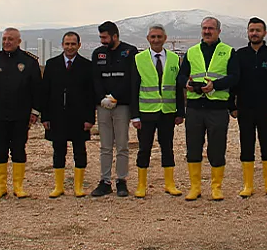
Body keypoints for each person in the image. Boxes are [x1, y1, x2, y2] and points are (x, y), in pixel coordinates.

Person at [177, 16, 240, 201]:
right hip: (195, 108)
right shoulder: (192, 52)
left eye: (211, 28)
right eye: (204, 28)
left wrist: (216, 85)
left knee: (217, 148)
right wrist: (187, 84)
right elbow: (181, 77)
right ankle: (195, 187)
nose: (207, 31)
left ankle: (216, 187)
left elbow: (235, 77)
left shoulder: (228, 51)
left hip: (217, 108)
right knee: (193, 148)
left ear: (218, 31)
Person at [0, 27, 42, 199]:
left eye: (11, 39)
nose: (7, 42)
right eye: (5, 39)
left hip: (20, 116)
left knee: (18, 149)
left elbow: (37, 89)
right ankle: (1, 187)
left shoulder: (29, 62)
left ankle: (18, 186)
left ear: (18, 41)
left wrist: (35, 112)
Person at [231, 17, 267, 197]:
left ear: (264, 33)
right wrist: (232, 106)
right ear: (247, 32)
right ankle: (248, 185)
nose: (254, 33)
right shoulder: (239, 55)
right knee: (246, 145)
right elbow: (233, 83)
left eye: (258, 30)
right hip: (245, 109)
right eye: (251, 30)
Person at [130, 24, 185, 198]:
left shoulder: (174, 59)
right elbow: (133, 88)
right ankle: (141, 185)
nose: (156, 40)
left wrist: (180, 112)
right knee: (144, 148)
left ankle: (170, 183)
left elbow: (177, 87)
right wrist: (134, 115)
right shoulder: (139, 59)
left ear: (165, 39)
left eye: (159, 37)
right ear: (148, 39)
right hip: (146, 112)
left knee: (167, 147)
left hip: (167, 112)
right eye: (153, 37)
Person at [42, 32, 96, 198]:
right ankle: (59, 186)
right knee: (58, 151)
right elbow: (45, 92)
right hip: (57, 116)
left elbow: (91, 95)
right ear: (62, 45)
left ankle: (78, 187)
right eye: (67, 44)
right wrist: (45, 117)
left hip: (79, 117)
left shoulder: (87, 66)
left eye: (73, 44)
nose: (70, 47)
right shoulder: (51, 64)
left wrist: (89, 118)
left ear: (79, 45)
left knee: (80, 151)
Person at [91, 21, 138, 197]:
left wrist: (115, 96)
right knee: (105, 145)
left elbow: (129, 78)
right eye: (101, 37)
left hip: (122, 105)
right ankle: (104, 181)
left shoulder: (129, 51)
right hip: (103, 105)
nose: (102, 41)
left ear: (115, 36)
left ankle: (121, 180)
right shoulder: (98, 54)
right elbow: (95, 78)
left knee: (122, 145)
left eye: (105, 37)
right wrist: (103, 97)